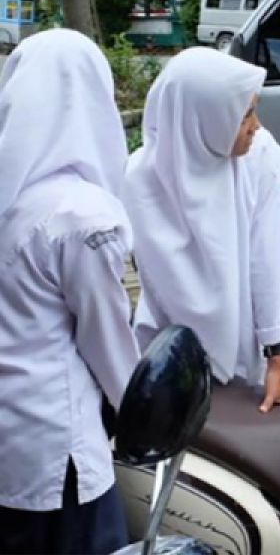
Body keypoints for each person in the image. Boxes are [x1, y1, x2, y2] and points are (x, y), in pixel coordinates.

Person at [0, 30, 141, 554]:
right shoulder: (81, 213)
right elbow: (107, 344)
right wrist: (145, 414)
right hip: (59, 447)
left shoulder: (11, 194)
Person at [126, 47, 280, 413]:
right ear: (202, 118)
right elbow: (159, 284)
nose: (256, 125)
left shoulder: (258, 159)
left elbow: (268, 263)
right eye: (246, 113)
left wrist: (276, 356)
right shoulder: (140, 181)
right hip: (168, 351)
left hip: (247, 343)